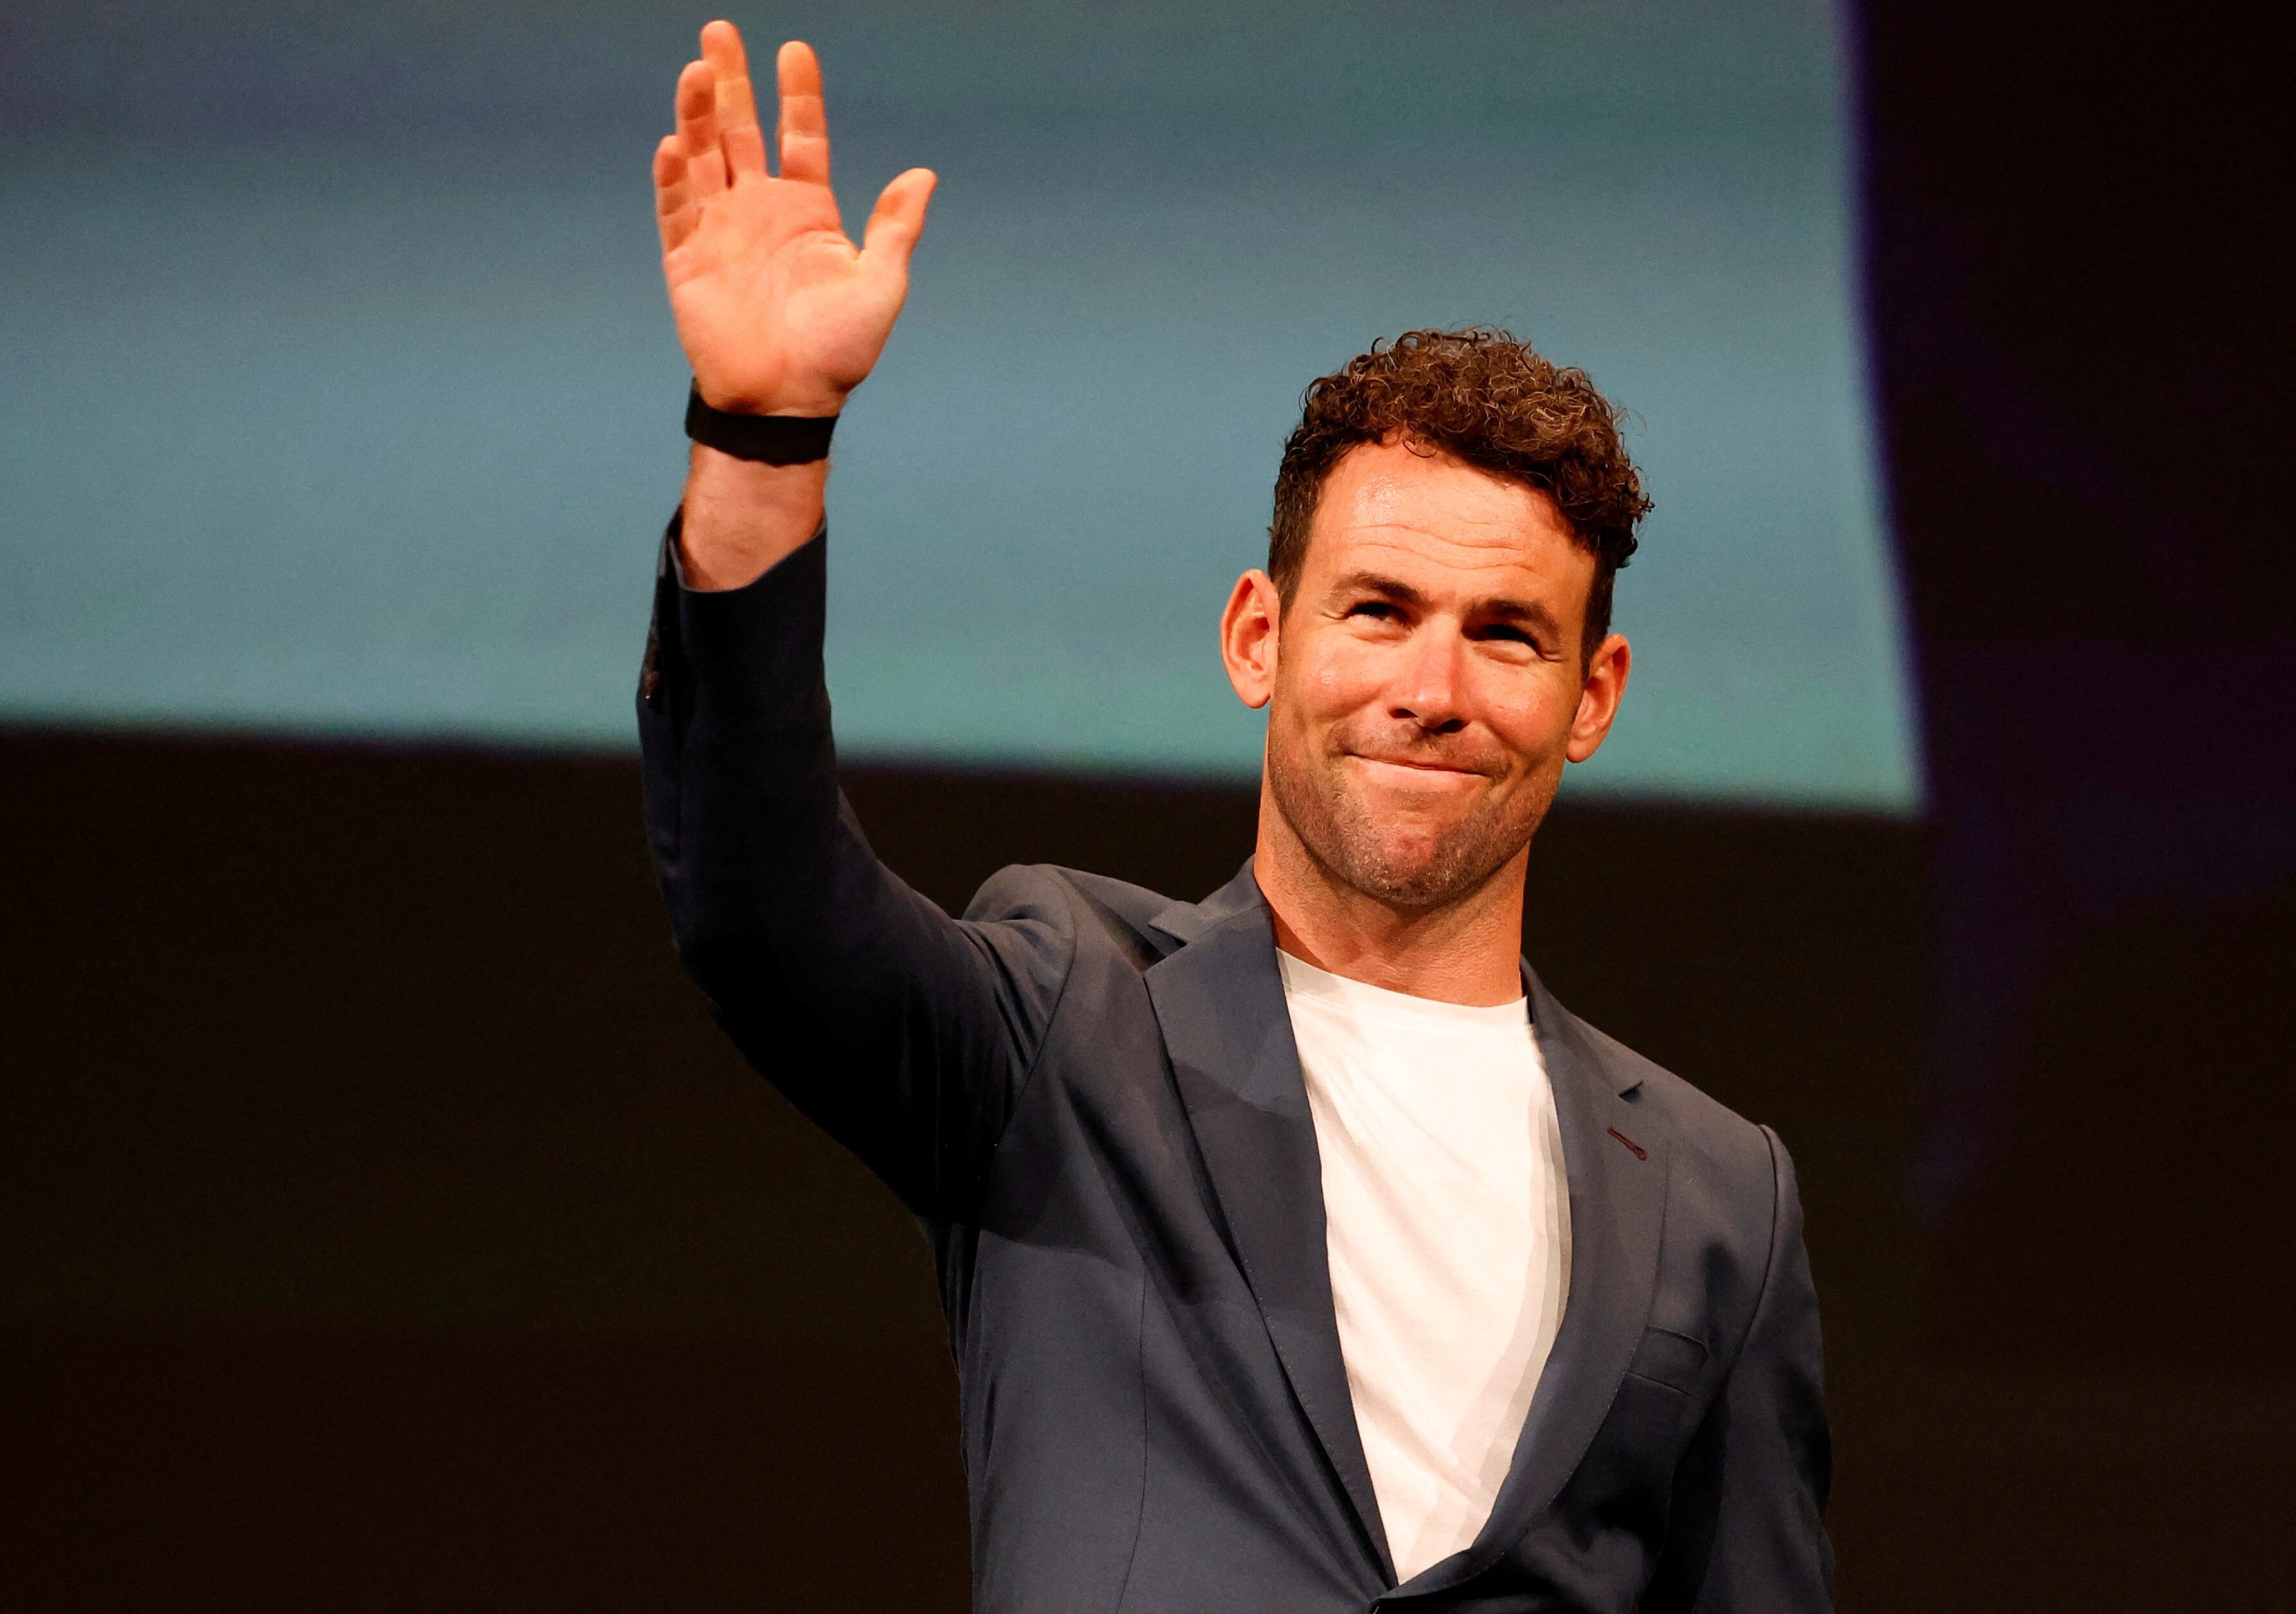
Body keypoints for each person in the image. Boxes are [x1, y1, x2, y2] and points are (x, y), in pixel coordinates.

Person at [637, 21, 1833, 1612]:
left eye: (1505, 633)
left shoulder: (1715, 1188)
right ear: (1258, 639)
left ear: (1593, 693)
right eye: (1379, 610)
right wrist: (763, 444)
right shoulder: (1067, 1016)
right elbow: (759, 905)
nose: (1434, 685)